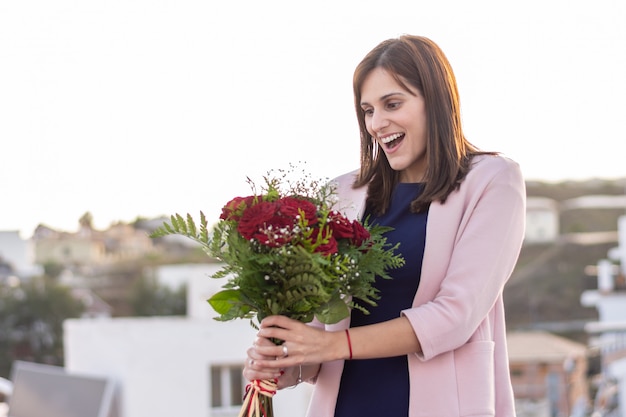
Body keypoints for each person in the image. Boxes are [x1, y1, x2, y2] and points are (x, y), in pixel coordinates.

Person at [243, 34, 526, 417]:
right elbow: (317, 338)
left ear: (436, 101)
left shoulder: (492, 181)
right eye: (367, 110)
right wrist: (282, 365)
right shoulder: (339, 194)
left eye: (392, 104)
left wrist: (332, 344)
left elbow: (455, 315)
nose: (377, 123)